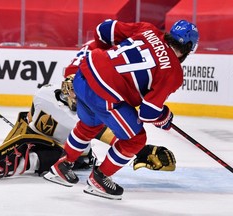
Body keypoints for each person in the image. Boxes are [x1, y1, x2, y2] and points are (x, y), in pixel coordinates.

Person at [43, 18, 199, 200]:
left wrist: (107, 59)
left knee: (89, 124)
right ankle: (100, 178)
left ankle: (60, 167)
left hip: (83, 74)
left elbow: (103, 30)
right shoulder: (173, 72)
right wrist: (164, 118)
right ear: (189, 48)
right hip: (105, 95)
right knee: (136, 140)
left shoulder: (148, 29)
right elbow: (148, 112)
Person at [0, 76, 176, 178]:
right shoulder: (45, 94)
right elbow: (31, 118)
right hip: (36, 137)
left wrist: (143, 151)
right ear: (65, 93)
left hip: (70, 156)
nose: (79, 99)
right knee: (20, 147)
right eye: (75, 95)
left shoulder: (85, 115)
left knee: (32, 156)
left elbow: (110, 135)